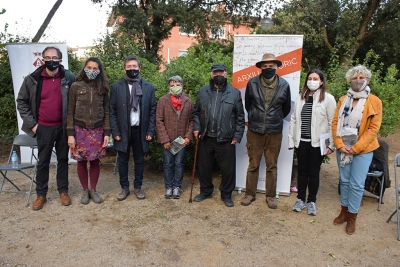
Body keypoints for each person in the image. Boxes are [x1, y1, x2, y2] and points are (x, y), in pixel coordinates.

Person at [17, 46, 76, 210]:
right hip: (43, 128)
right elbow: (21, 102)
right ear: (43, 60)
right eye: (48, 57)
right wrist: (33, 125)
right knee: (43, 162)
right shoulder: (33, 79)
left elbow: (77, 98)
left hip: (63, 127)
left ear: (60, 59)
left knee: (63, 160)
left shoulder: (68, 77)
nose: (51, 60)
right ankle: (41, 195)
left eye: (54, 57)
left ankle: (63, 192)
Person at [332, 65, 382, 235]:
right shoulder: (342, 99)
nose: (358, 80)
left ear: (367, 80)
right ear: (350, 80)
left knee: (356, 184)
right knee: (344, 181)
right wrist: (339, 145)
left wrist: (356, 147)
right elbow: (335, 124)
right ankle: (344, 211)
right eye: (354, 78)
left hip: (363, 149)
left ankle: (352, 217)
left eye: (361, 77)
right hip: (343, 148)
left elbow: (373, 128)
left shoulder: (374, 101)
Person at [241, 53, 291, 209]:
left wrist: (273, 119)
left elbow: (286, 108)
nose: (268, 68)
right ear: (261, 68)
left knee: (271, 165)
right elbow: (249, 105)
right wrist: (257, 118)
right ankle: (250, 193)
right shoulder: (252, 83)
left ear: (276, 67)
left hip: (274, 131)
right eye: (265, 66)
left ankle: (271, 196)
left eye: (271, 66)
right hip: (255, 130)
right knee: (253, 164)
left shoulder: (284, 85)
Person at [192, 64, 245, 207]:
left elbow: (240, 116)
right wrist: (196, 128)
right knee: (204, 167)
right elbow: (196, 112)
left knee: (228, 169)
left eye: (221, 73)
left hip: (226, 138)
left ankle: (226, 194)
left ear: (226, 74)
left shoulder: (234, 93)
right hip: (206, 137)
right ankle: (205, 191)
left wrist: (237, 136)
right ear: (211, 75)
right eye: (215, 73)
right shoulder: (203, 91)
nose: (218, 75)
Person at [288, 69, 337, 215]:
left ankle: (312, 201)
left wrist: (331, 144)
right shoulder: (300, 98)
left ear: (321, 81)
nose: (312, 81)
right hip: (302, 142)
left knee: (314, 173)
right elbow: (294, 120)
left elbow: (331, 122)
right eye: (310, 78)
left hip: (318, 143)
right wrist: (292, 140)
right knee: (302, 172)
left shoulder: (328, 99)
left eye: (316, 78)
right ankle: (301, 199)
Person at [110, 55, 157, 201]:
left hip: (140, 130)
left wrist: (150, 130)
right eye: (129, 67)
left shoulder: (148, 87)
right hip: (123, 131)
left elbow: (152, 111)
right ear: (124, 69)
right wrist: (115, 131)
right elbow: (111, 110)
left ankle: (138, 187)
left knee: (139, 160)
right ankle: (124, 188)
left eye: (134, 66)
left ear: (139, 68)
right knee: (123, 161)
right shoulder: (116, 87)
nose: (132, 69)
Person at [66, 57, 110, 204]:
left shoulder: (103, 87)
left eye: (95, 68)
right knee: (81, 161)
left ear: (99, 70)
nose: (91, 71)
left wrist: (107, 133)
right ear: (84, 68)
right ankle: (85, 190)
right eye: (89, 68)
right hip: (79, 130)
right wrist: (70, 134)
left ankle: (93, 189)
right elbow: (70, 111)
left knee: (95, 161)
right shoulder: (75, 86)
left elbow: (107, 111)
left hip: (97, 130)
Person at [156, 76, 193, 199]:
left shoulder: (188, 101)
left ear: (182, 85)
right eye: (172, 85)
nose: (174, 87)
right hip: (168, 139)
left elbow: (192, 120)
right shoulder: (163, 100)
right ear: (168, 87)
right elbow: (159, 120)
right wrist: (165, 140)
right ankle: (169, 187)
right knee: (168, 164)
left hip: (181, 140)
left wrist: (188, 137)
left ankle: (177, 187)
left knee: (179, 163)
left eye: (177, 84)